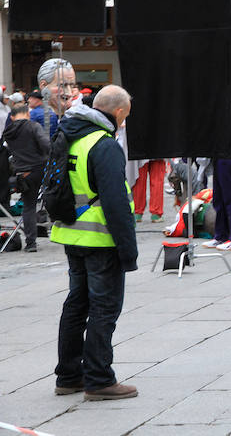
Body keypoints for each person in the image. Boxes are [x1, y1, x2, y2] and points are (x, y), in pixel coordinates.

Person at [52, 85, 139, 401]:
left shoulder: (71, 134)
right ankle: (99, 379)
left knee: (76, 305)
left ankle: (69, 375)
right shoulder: (103, 144)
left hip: (71, 234)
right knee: (104, 307)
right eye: (125, 117)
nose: (124, 122)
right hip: (101, 238)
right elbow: (116, 202)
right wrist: (128, 249)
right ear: (118, 112)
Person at [202, 75, 231, 250]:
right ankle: (221, 235)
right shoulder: (229, 107)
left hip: (229, 153)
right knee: (219, 198)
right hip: (223, 153)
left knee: (230, 197)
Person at [3, 104, 50, 252]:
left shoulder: (7, 132)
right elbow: (46, 145)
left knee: (28, 207)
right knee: (50, 198)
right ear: (28, 114)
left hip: (21, 173)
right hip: (38, 169)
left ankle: (31, 243)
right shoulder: (33, 126)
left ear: (12, 117)